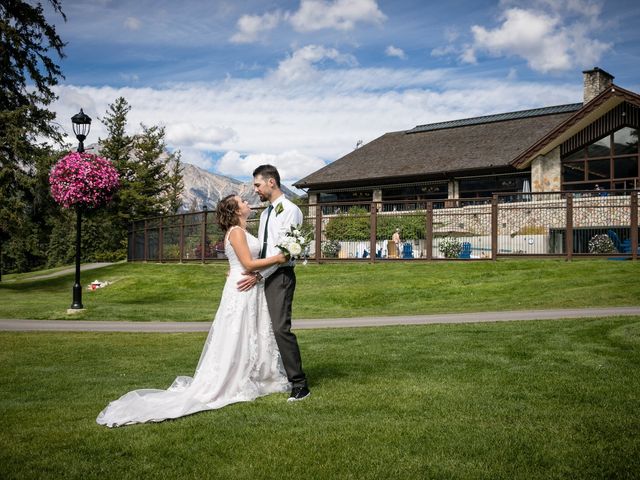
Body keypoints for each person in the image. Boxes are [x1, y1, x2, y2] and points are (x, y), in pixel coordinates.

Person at [96, 195, 290, 428]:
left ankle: (253, 374)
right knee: (237, 332)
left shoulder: (239, 231)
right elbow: (248, 264)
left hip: (245, 284)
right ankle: (233, 378)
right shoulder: (237, 232)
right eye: (242, 202)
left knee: (246, 331)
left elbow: (237, 263)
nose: (247, 203)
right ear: (237, 211)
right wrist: (279, 258)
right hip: (243, 286)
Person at [237, 164, 310, 402]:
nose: (255, 190)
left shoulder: (290, 210)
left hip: (280, 277)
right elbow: (261, 249)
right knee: (261, 328)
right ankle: (267, 376)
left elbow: (285, 253)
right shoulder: (266, 213)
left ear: (271, 182)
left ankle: (300, 384)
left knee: (280, 328)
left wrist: (260, 275)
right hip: (262, 276)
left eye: (257, 184)